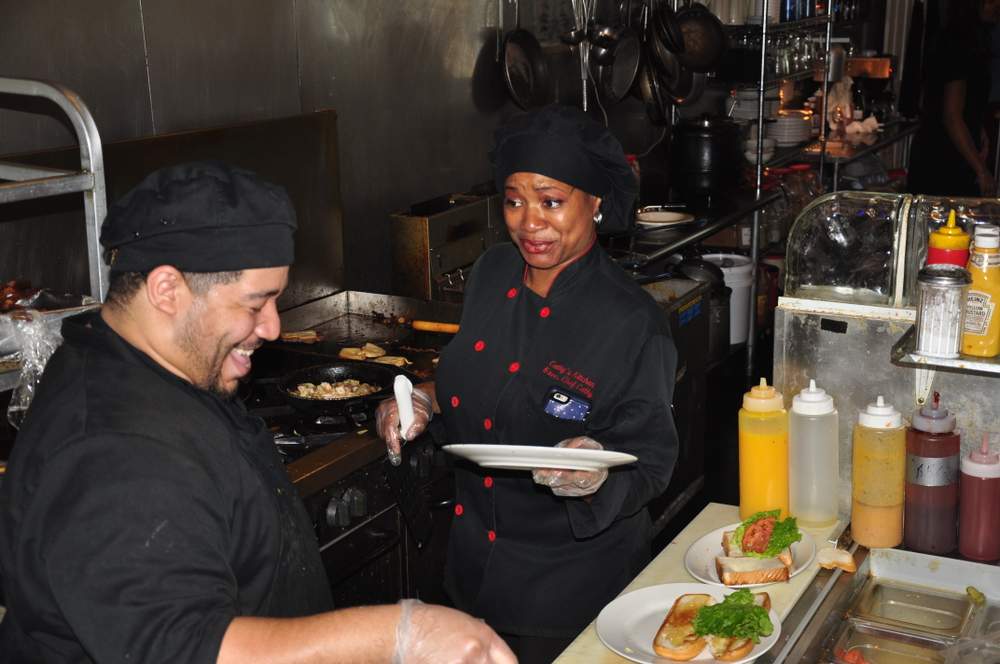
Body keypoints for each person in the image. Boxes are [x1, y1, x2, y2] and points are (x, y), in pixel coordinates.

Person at [0, 161, 515, 664]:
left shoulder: (161, 369)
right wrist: (400, 635)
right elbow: (186, 648)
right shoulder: (111, 452)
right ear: (166, 290)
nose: (271, 327)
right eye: (255, 303)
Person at [376, 105, 679, 663]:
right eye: (514, 200)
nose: (529, 222)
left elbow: (654, 458)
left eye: (551, 201)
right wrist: (421, 398)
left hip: (569, 597)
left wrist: (593, 473)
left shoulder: (632, 320)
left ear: (595, 202)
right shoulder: (491, 273)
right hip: (469, 577)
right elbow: (468, 376)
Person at [908, 0, 1000, 196]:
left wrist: (978, 127)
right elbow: (951, 116)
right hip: (941, 159)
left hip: (954, 152)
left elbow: (967, 103)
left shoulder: (973, 40)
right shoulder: (956, 43)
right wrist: (981, 171)